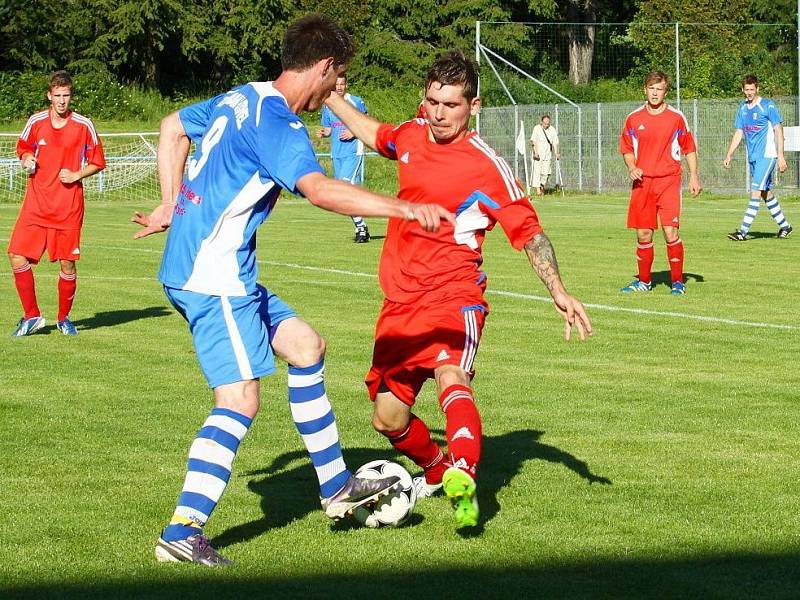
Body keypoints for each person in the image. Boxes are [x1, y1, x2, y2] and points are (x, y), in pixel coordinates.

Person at [132, 14, 454, 566]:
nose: (335, 91)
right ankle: (183, 530)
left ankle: (334, 485)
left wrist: (171, 200)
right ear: (325, 67)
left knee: (306, 346)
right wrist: (404, 207)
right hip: (214, 279)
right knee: (239, 398)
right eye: (338, 78)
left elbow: (170, 127)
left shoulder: (243, 96)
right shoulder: (279, 123)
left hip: (218, 270)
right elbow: (322, 190)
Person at [326, 50, 593, 530]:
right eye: (432, 101)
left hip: (455, 295)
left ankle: (464, 475)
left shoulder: (484, 164)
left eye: (451, 104)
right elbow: (376, 133)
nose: (439, 112)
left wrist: (559, 289)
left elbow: (529, 231)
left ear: (474, 105)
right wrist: (329, 96)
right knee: (386, 419)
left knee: (452, 377)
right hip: (399, 303)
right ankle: (438, 468)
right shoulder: (410, 135)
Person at [8, 70, 106, 337]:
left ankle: (63, 318)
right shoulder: (36, 121)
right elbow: (23, 147)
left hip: (68, 208)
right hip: (36, 206)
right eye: (58, 96)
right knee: (16, 254)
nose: (62, 101)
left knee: (67, 264)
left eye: (67, 95)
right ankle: (32, 316)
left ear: (70, 95)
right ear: (49, 96)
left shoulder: (84, 125)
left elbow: (98, 161)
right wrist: (27, 159)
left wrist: (77, 174)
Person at [619, 71, 702, 296]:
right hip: (642, 183)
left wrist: (694, 175)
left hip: (668, 181)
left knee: (670, 231)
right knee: (643, 234)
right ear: (645, 90)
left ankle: (677, 282)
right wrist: (632, 167)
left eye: (660, 89)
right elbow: (626, 149)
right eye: (652, 88)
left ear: (666, 92)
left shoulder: (676, 117)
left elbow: (689, 148)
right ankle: (644, 282)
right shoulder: (633, 119)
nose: (655, 93)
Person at [723, 75, 793, 240]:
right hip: (754, 157)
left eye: (752, 89)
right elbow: (739, 132)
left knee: (755, 191)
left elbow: (778, 130)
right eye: (746, 90)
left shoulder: (767, 106)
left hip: (767, 155)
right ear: (743, 90)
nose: (749, 93)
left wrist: (781, 156)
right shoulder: (742, 108)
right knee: (765, 193)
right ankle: (785, 226)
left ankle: (742, 232)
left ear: (757, 89)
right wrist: (729, 154)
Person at [316, 75, 371, 242]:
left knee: (345, 188)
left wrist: (354, 132)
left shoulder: (355, 101)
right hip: (337, 153)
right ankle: (361, 226)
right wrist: (324, 133)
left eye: (342, 84)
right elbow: (329, 128)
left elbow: (366, 122)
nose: (339, 87)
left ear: (346, 85)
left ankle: (361, 228)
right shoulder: (328, 104)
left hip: (353, 152)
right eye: (336, 84)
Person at [530, 114, 560, 196]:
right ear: (541, 122)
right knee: (537, 172)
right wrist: (535, 152)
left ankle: (542, 185)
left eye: (548, 123)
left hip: (547, 154)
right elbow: (533, 141)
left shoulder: (552, 129)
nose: (546, 125)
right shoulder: (537, 128)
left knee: (546, 173)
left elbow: (555, 142)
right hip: (538, 154)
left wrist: (557, 153)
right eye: (545, 123)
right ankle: (538, 190)